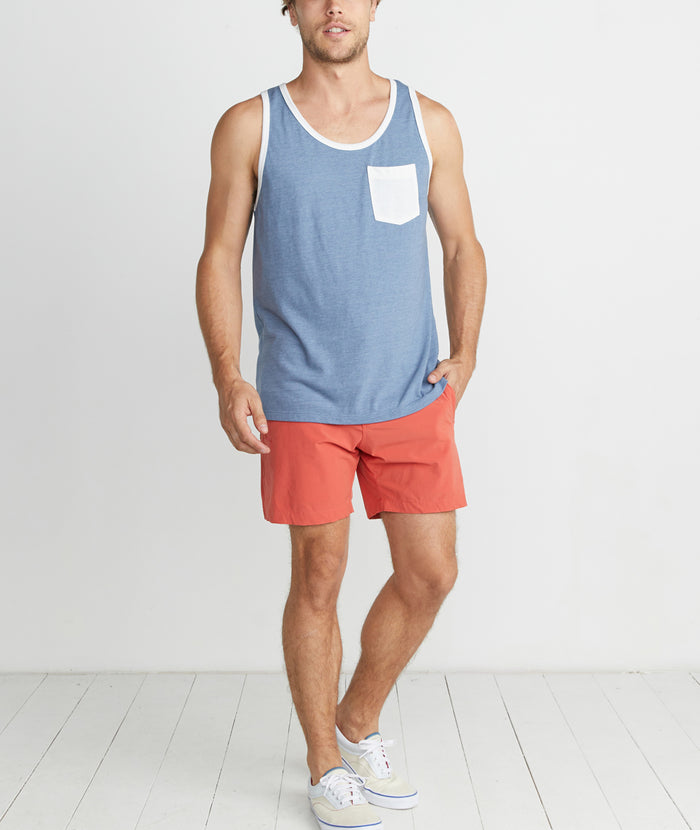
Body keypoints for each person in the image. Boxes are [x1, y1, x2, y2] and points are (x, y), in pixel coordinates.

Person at [195, 1, 486, 827]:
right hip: (304, 398)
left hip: (410, 392)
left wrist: (464, 354)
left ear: (374, 6)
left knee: (432, 573)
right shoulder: (251, 126)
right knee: (318, 575)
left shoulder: (427, 122)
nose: (335, 7)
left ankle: (356, 720)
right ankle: (326, 765)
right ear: (288, 9)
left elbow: (462, 245)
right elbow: (220, 253)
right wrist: (228, 374)